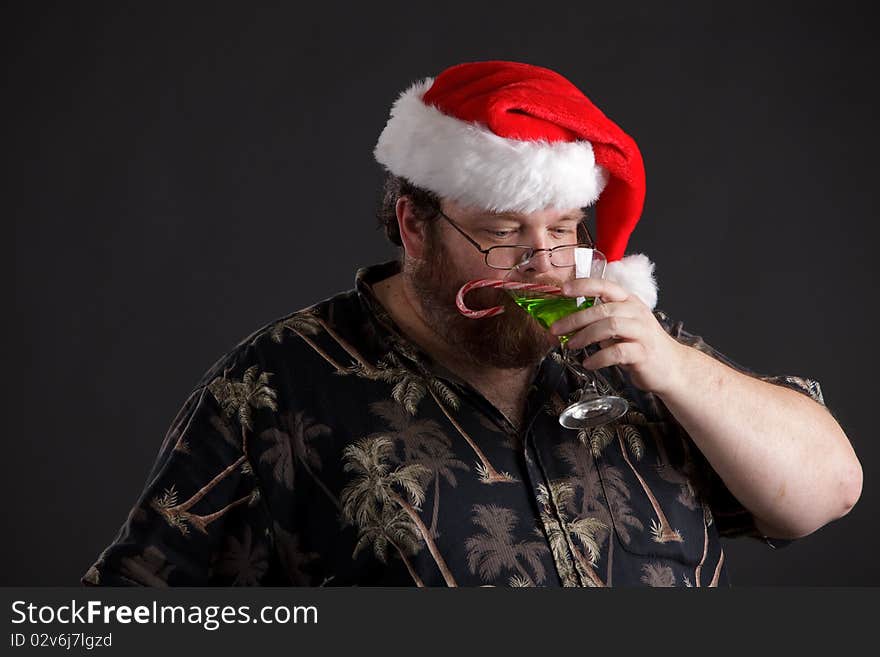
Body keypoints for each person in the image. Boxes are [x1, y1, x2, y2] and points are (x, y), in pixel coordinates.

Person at [82, 60, 861, 587]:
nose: (544, 263)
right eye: (504, 231)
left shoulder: (634, 349)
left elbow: (828, 490)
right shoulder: (277, 383)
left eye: (563, 229)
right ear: (414, 224)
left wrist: (676, 368)